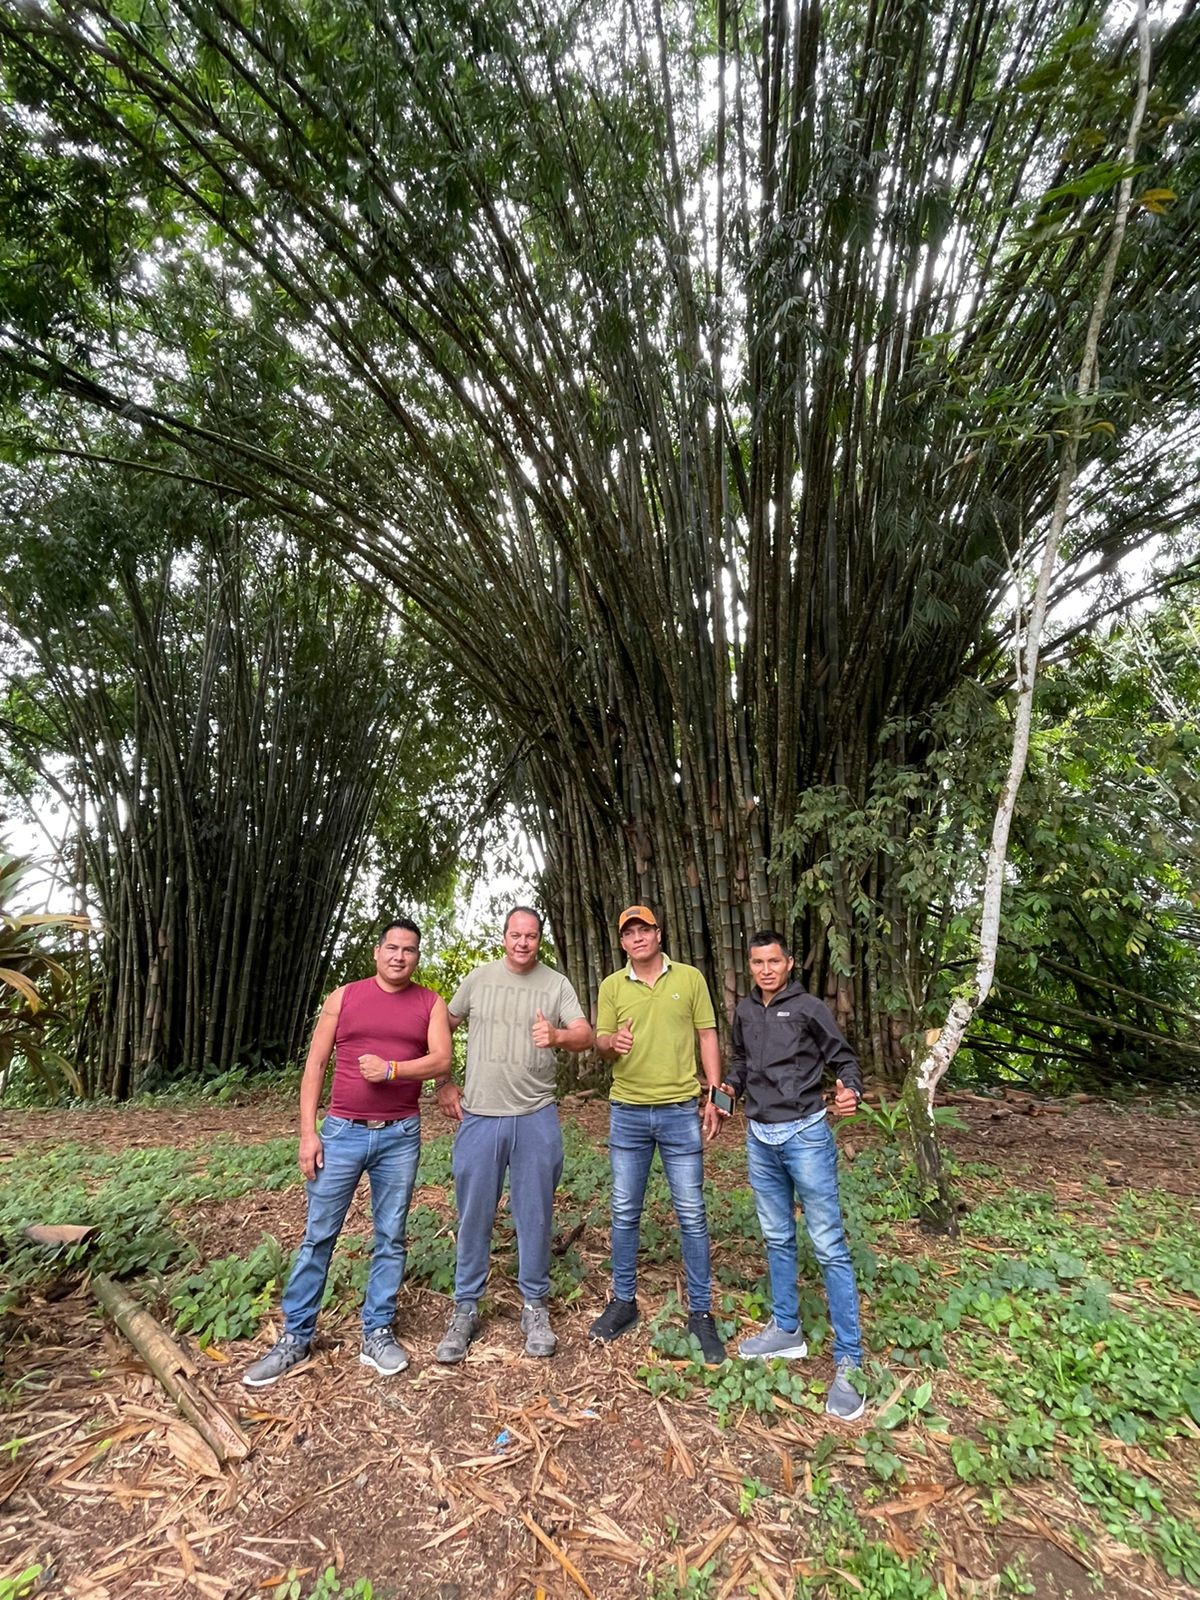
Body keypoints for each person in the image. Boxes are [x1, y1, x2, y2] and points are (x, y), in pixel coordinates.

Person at [243, 919, 452, 1387]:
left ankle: (376, 1331)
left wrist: (393, 1069)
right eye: (392, 947)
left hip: (400, 1134)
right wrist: (308, 1133)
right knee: (319, 1235)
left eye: (409, 950)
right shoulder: (345, 997)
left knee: (391, 1235)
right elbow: (315, 1064)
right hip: (341, 1132)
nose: (399, 956)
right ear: (377, 952)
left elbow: (441, 1059)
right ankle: (295, 1337)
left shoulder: (430, 1003)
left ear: (417, 957)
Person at [434, 907, 593, 1363]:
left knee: (535, 1213)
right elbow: (440, 1025)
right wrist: (443, 1081)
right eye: (516, 934)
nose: (523, 942)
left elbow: (585, 1034)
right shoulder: (478, 979)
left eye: (532, 936)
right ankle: (465, 1307)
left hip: (535, 1114)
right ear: (504, 936)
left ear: (539, 939)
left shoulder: (555, 984)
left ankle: (534, 1305)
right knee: (474, 1213)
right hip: (481, 1115)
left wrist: (557, 1037)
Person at [722, 930, 866, 1421]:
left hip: (805, 1134)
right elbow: (741, 1062)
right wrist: (730, 1088)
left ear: (790, 963)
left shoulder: (809, 1008)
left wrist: (850, 1089)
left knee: (828, 1244)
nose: (766, 970)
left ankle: (850, 1360)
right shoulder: (745, 1011)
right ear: (750, 966)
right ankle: (787, 1329)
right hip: (759, 1136)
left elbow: (844, 1059)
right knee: (778, 1236)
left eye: (774, 961)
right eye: (757, 962)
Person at [590, 906, 726, 1364]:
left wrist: (714, 1096)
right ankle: (623, 1302)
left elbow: (707, 1036)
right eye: (628, 932)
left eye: (643, 929)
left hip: (680, 1110)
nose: (637, 937)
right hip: (628, 1110)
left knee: (691, 1212)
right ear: (622, 942)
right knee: (625, 1210)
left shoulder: (689, 978)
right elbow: (601, 1043)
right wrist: (612, 1044)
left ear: (658, 933)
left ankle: (701, 1312)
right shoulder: (612, 986)